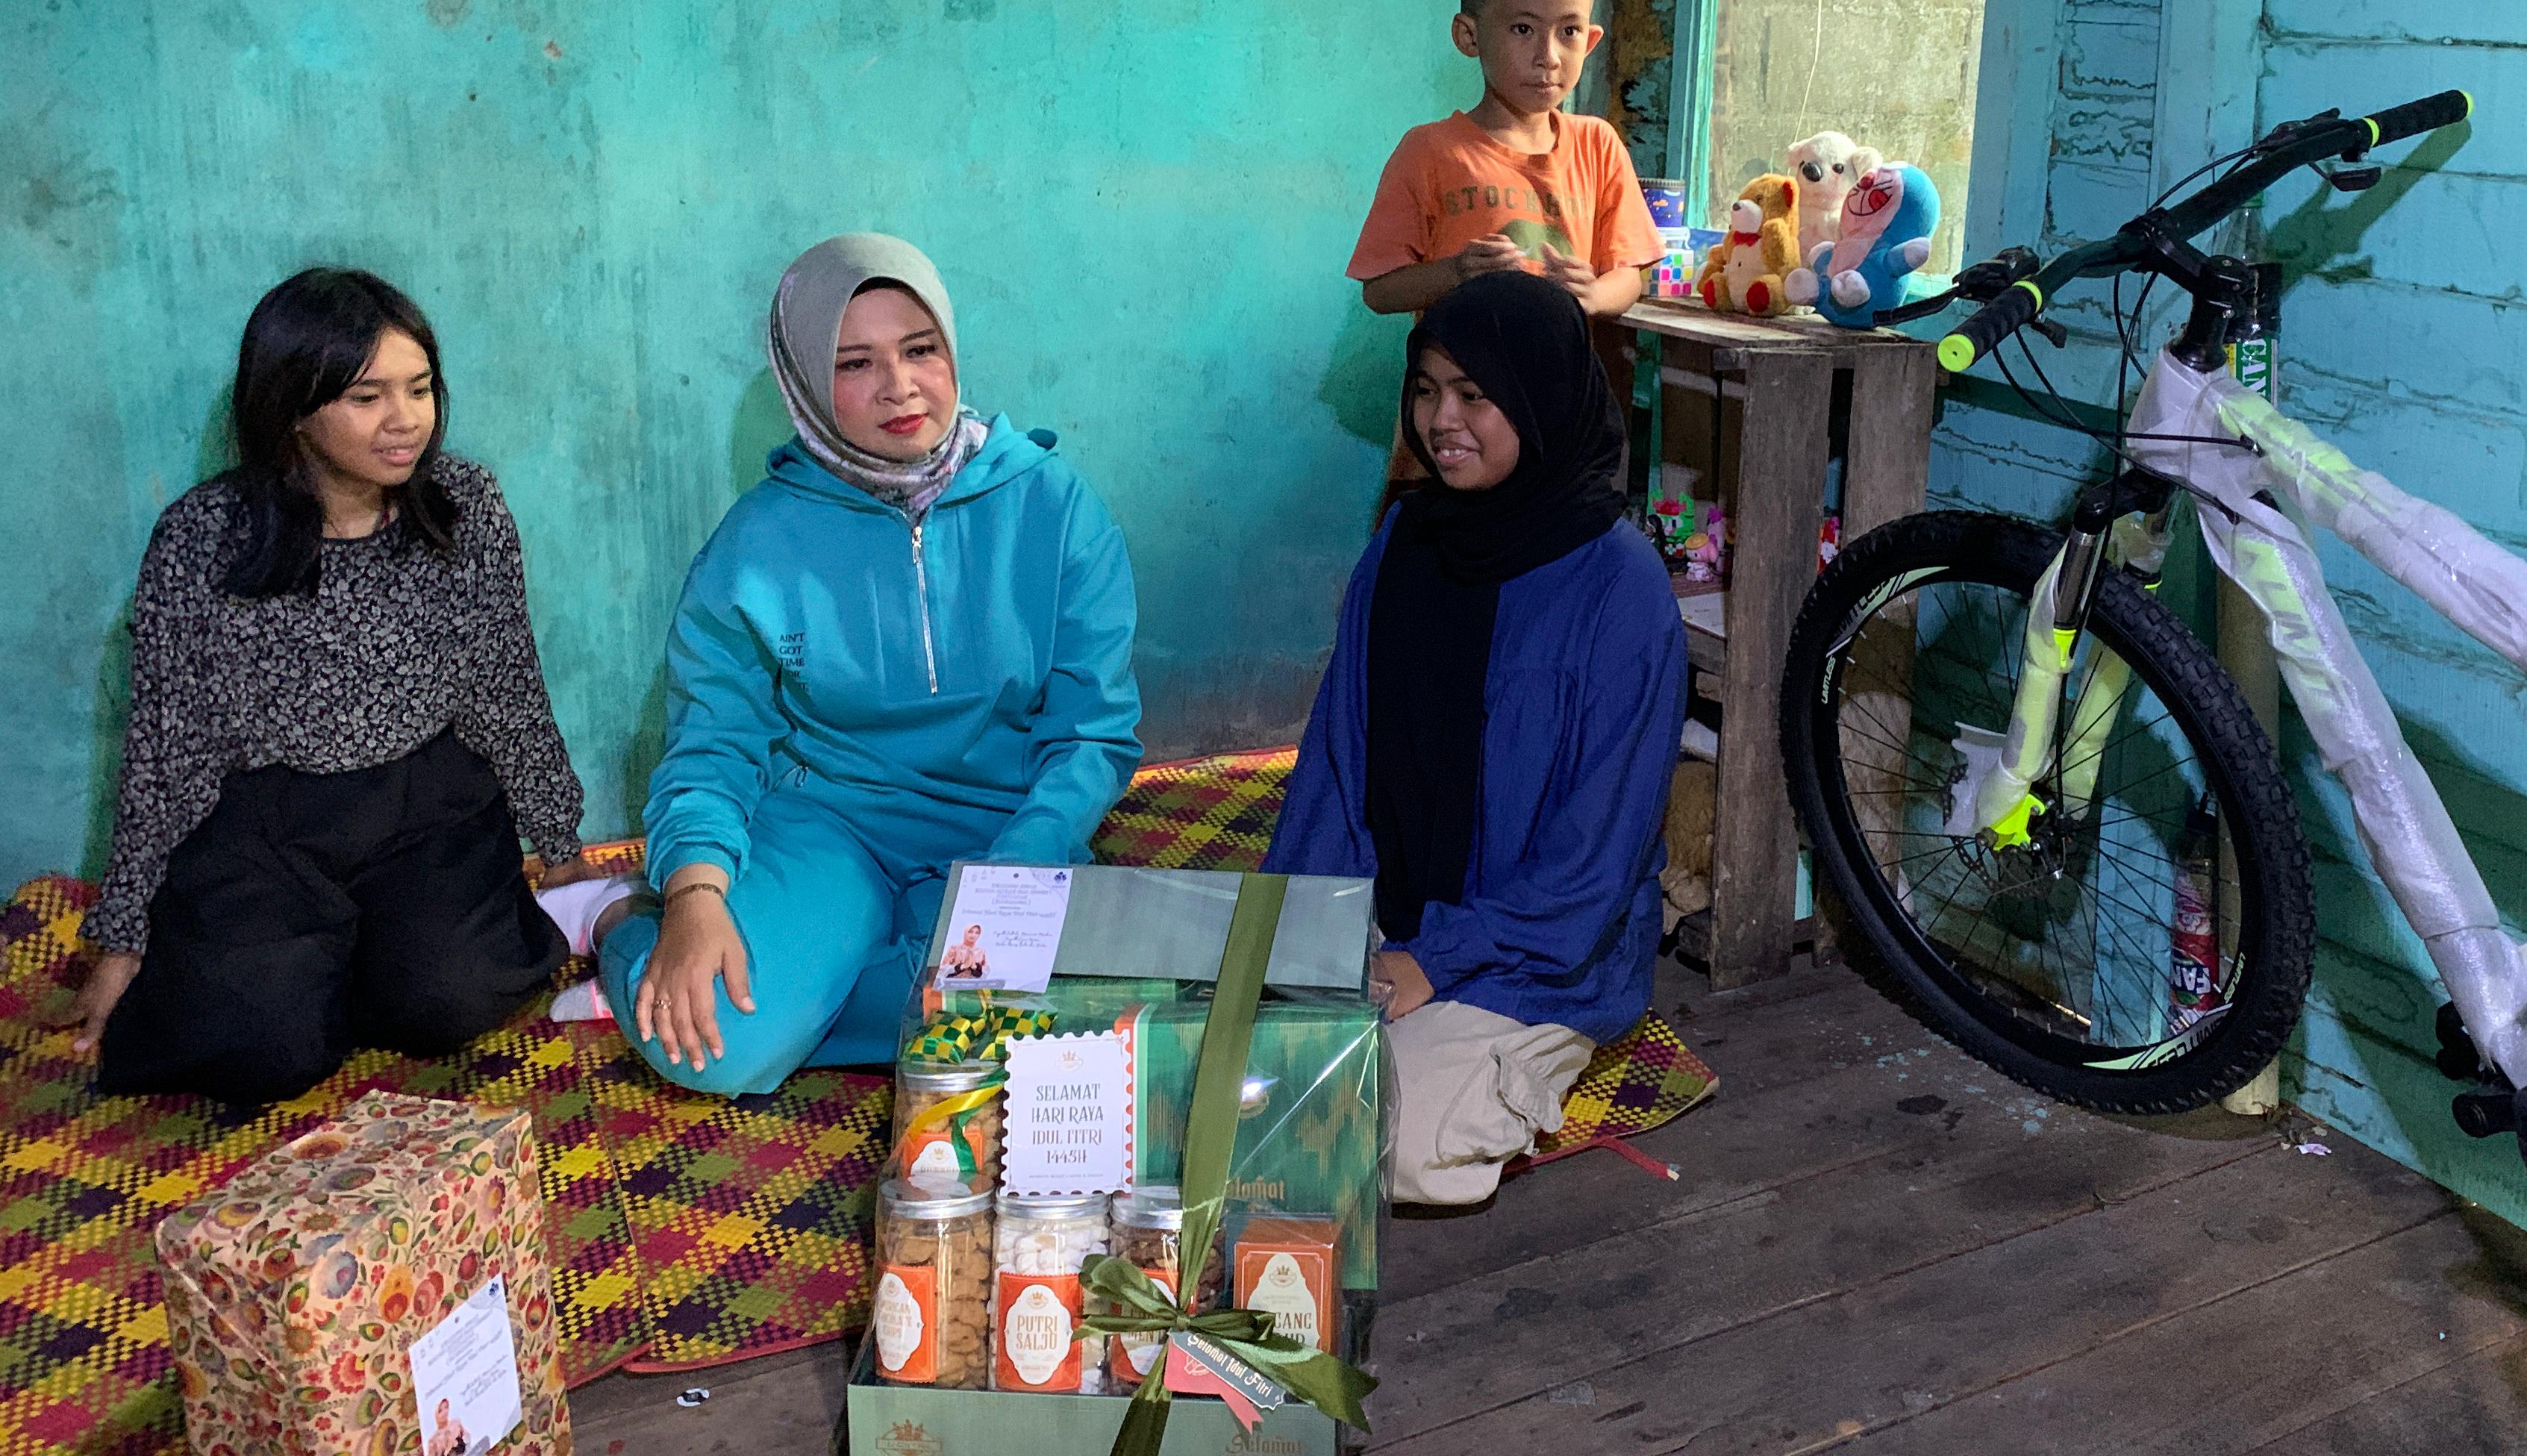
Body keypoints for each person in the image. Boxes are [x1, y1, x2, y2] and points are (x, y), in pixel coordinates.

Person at [588, 234, 1140, 1097]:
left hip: (1007, 832)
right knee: (719, 1044)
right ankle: (626, 926)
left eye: (921, 349)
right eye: (855, 363)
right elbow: (715, 742)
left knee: (1080, 1023)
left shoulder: (1053, 505)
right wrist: (695, 894)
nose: (900, 387)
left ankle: (852, 974)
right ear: (805, 383)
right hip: (830, 829)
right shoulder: (757, 545)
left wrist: (1016, 875)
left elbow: (1093, 733)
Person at [71, 268, 626, 1101]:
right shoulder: (206, 537)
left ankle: (383, 956)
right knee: (261, 1052)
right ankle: (304, 972)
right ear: (293, 406)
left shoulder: (464, 507)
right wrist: (122, 941)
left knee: (453, 1002)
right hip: (263, 828)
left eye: (420, 388)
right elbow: (164, 748)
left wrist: (557, 845)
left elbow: (507, 682)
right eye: (368, 397)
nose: (405, 421)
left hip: (426, 809)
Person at [1266, 272, 1685, 1207]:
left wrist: (1434, 962)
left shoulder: (1620, 588)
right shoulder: (1409, 540)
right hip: (1393, 914)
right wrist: (1297, 934)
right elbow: (1341, 756)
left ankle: (1516, 1061)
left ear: (1537, 395)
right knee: (1243, 1076)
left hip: (1537, 950)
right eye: (1425, 389)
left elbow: (1597, 859)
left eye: (1475, 394)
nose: (1441, 419)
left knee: (1395, 1144)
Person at [1349, 0, 1662, 323]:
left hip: (1560, 384)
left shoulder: (1597, 145)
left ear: (1591, 41)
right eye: (1522, 29)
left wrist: (1594, 295)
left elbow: (1628, 275)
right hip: (1459, 385)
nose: (1548, 57)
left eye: (1569, 31)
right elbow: (1380, 290)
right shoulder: (1430, 151)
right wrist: (1456, 272)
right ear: (1469, 36)